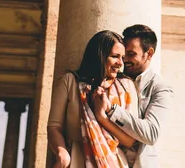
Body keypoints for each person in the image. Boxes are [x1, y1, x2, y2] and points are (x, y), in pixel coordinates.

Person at [48, 30, 139, 168]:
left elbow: (130, 139)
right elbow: (54, 126)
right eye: (115, 56)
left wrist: (102, 117)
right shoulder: (71, 81)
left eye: (123, 57)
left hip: (113, 161)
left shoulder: (126, 87)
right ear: (100, 56)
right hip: (76, 159)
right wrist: (61, 152)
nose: (121, 63)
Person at [93, 24, 173, 168]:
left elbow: (151, 133)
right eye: (124, 55)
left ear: (149, 53)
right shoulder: (112, 79)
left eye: (131, 54)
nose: (124, 60)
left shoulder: (160, 88)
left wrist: (112, 110)